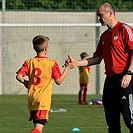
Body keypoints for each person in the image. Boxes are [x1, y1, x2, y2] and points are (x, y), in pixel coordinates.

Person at [66, 2, 133, 133]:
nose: (98, 18)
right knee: (112, 120)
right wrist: (76, 63)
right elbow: (97, 58)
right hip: (110, 80)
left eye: (100, 15)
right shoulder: (104, 36)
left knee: (129, 118)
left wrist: (129, 73)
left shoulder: (124, 29)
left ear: (110, 13)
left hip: (126, 78)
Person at [16, 35, 75, 133]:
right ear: (46, 48)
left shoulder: (29, 62)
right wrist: (68, 68)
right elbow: (59, 81)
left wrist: (26, 83)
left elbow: (19, 76)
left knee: (37, 125)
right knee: (39, 127)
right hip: (43, 100)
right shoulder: (51, 63)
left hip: (32, 99)